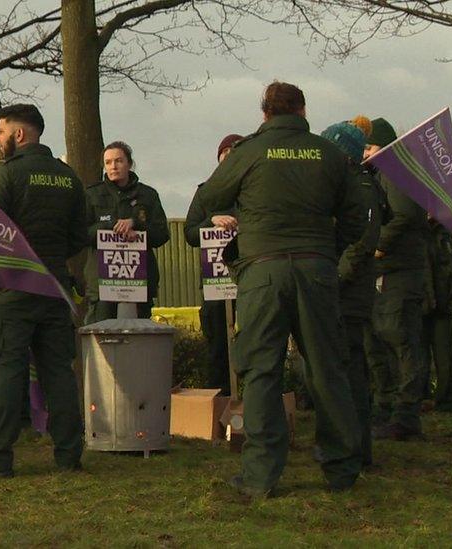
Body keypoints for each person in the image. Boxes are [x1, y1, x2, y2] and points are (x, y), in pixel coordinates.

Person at [198, 81, 368, 496]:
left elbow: (210, 197)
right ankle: (342, 470)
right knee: (328, 368)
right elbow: (356, 217)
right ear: (303, 110)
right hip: (317, 270)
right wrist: (327, 251)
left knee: (261, 372)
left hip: (262, 272)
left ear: (265, 114)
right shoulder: (328, 154)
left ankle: (260, 477)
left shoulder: (248, 152)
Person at [0, 104, 88, 477]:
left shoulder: (6, 176)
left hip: (12, 291)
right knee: (59, 374)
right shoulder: (68, 178)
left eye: (1, 132)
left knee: (8, 373)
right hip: (54, 288)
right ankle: (69, 456)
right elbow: (77, 237)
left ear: (20, 135)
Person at [320, 120, 385, 468]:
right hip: (346, 290)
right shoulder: (354, 186)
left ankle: (357, 450)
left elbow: (360, 244)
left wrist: (334, 278)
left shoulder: (361, 189)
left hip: (349, 293)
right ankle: (353, 447)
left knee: (350, 370)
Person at [363, 118, 430, 441]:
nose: (364, 152)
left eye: (369, 146)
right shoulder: (391, 173)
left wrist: (378, 245)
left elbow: (403, 215)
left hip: (399, 270)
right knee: (389, 338)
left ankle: (404, 414)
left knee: (400, 339)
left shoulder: (394, 174)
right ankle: (392, 410)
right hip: (397, 269)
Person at [83, 142, 170, 323]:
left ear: (129, 163)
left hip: (139, 282)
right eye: (108, 162)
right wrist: (110, 227)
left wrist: (136, 226)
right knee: (102, 339)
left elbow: (162, 234)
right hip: (102, 284)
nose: (113, 166)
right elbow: (82, 233)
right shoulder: (92, 195)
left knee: (138, 341)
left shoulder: (148, 195)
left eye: (118, 161)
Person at [183, 133, 242, 395]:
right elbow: (190, 233)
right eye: (224, 156)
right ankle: (217, 402)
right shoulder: (205, 192)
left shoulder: (254, 190)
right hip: (215, 283)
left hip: (248, 280)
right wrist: (212, 221)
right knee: (217, 345)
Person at [421, 216, 452, 413]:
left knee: (445, 357)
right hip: (420, 304)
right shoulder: (412, 231)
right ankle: (420, 399)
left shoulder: (444, 233)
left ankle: (445, 401)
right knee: (418, 357)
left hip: (443, 305)